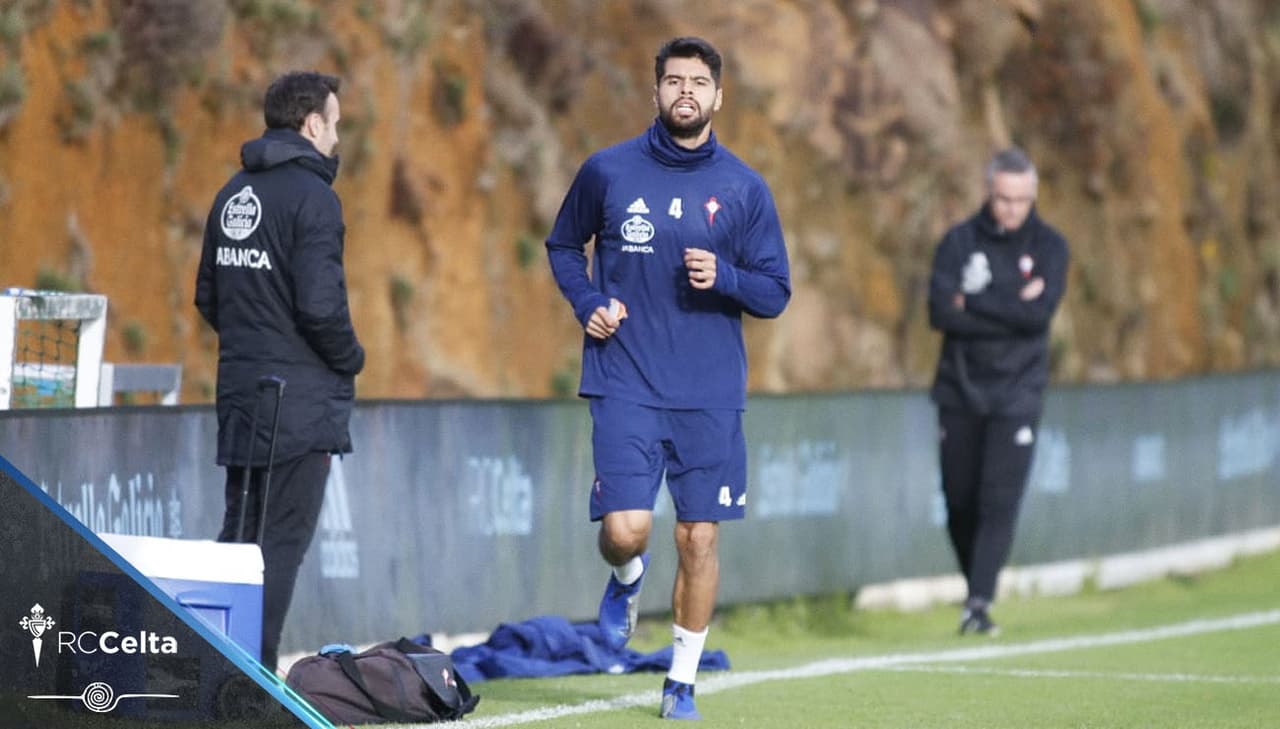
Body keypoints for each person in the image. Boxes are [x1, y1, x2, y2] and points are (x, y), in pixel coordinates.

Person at [546, 36, 790, 720]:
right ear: (655, 92)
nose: (686, 91)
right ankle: (626, 576)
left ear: (719, 96)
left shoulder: (744, 187)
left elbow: (775, 292)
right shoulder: (607, 171)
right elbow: (564, 244)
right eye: (674, 80)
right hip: (623, 377)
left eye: (699, 82)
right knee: (627, 530)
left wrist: (729, 278)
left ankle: (680, 680)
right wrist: (589, 303)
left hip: (709, 393)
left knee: (699, 537)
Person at [194, 71, 364, 671]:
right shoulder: (315, 198)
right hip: (299, 406)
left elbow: (209, 299)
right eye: (335, 122)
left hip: (241, 397)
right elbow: (320, 305)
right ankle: (251, 680)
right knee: (277, 550)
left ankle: (214, 673)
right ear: (312, 124)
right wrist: (351, 359)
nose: (337, 135)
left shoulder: (231, 191)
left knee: (239, 542)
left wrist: (256, 345)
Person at [926, 147, 1069, 636]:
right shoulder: (959, 242)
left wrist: (977, 303)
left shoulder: (1051, 247)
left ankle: (978, 602)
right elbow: (940, 313)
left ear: (1033, 197)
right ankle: (977, 592)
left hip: (1018, 394)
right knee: (959, 501)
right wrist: (1008, 306)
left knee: (997, 501)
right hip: (959, 390)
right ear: (990, 193)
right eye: (1004, 198)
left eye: (1021, 199)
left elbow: (1038, 317)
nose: (1011, 208)